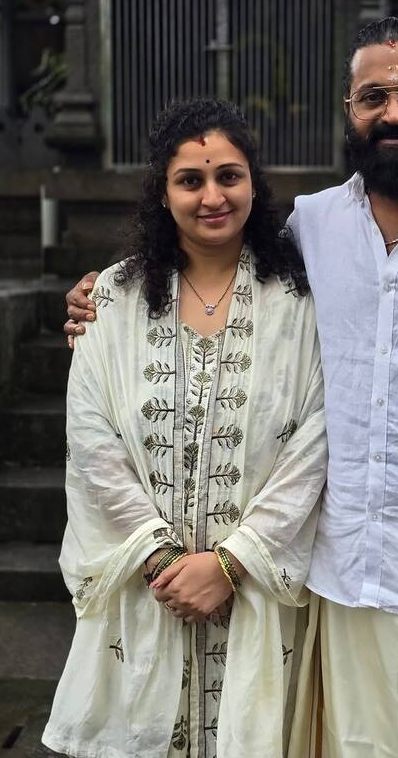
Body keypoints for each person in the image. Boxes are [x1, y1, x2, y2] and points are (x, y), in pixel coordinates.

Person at [65, 17, 398, 758]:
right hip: (339, 590)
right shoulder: (310, 229)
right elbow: (210, 261)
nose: (394, 112)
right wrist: (103, 301)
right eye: (372, 97)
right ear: (348, 112)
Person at [46, 98, 327, 758]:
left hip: (258, 592)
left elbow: (318, 437)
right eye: (191, 180)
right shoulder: (112, 298)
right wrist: (160, 556)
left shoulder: (302, 302)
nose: (212, 196)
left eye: (228, 176)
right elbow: (92, 437)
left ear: (254, 186)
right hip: (154, 591)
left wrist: (234, 562)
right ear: (162, 192)